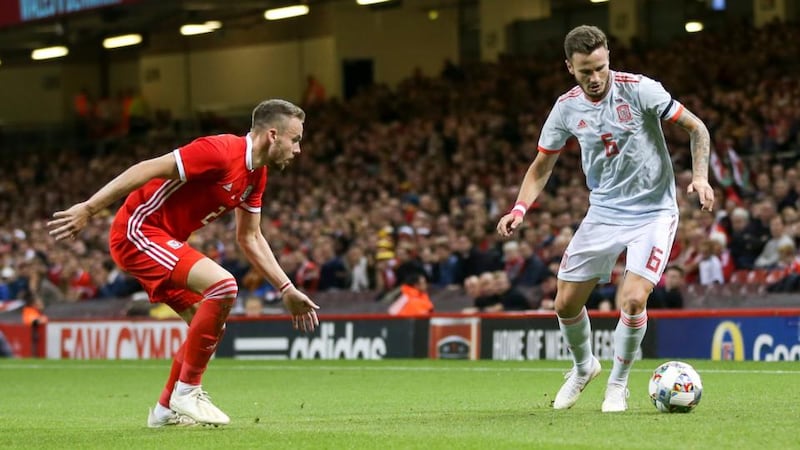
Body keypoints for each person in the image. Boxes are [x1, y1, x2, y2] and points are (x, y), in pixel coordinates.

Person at [47, 99, 320, 427]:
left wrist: (285, 287)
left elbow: (250, 237)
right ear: (273, 135)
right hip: (138, 230)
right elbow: (146, 168)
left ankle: (165, 410)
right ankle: (188, 391)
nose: (298, 149)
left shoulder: (256, 176)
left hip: (164, 240)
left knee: (209, 327)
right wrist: (89, 209)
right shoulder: (219, 151)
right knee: (223, 286)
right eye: (296, 139)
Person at [496, 25, 713, 413]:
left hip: (653, 212)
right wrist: (519, 208)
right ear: (569, 67)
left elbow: (697, 127)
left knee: (631, 300)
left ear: (608, 56)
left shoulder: (640, 89)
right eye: (585, 72)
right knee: (564, 304)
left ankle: (618, 383)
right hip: (604, 211)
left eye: (599, 68)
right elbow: (542, 164)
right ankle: (584, 367)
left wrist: (699, 177)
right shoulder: (565, 108)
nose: (595, 79)